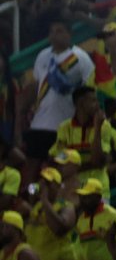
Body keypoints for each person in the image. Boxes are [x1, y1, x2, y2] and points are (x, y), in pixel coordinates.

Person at [23, 18, 96, 159]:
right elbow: (36, 86)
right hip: (38, 124)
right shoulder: (42, 56)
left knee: (60, 169)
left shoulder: (81, 58)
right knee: (34, 168)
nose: (54, 35)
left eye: (59, 31)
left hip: (64, 126)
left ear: (69, 33)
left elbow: (91, 90)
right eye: (51, 32)